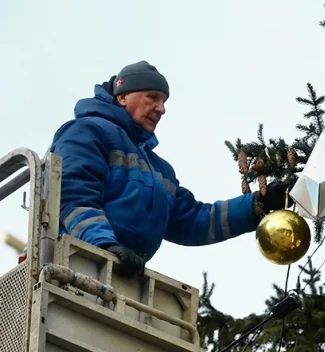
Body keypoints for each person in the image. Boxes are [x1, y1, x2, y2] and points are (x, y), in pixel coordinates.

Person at [50, 60, 290, 277]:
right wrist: (104, 245)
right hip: (73, 262)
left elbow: (195, 220)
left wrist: (256, 206)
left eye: (164, 101)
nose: (161, 109)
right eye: (152, 97)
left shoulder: (159, 171)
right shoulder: (86, 131)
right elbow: (73, 196)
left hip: (123, 273)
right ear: (123, 97)